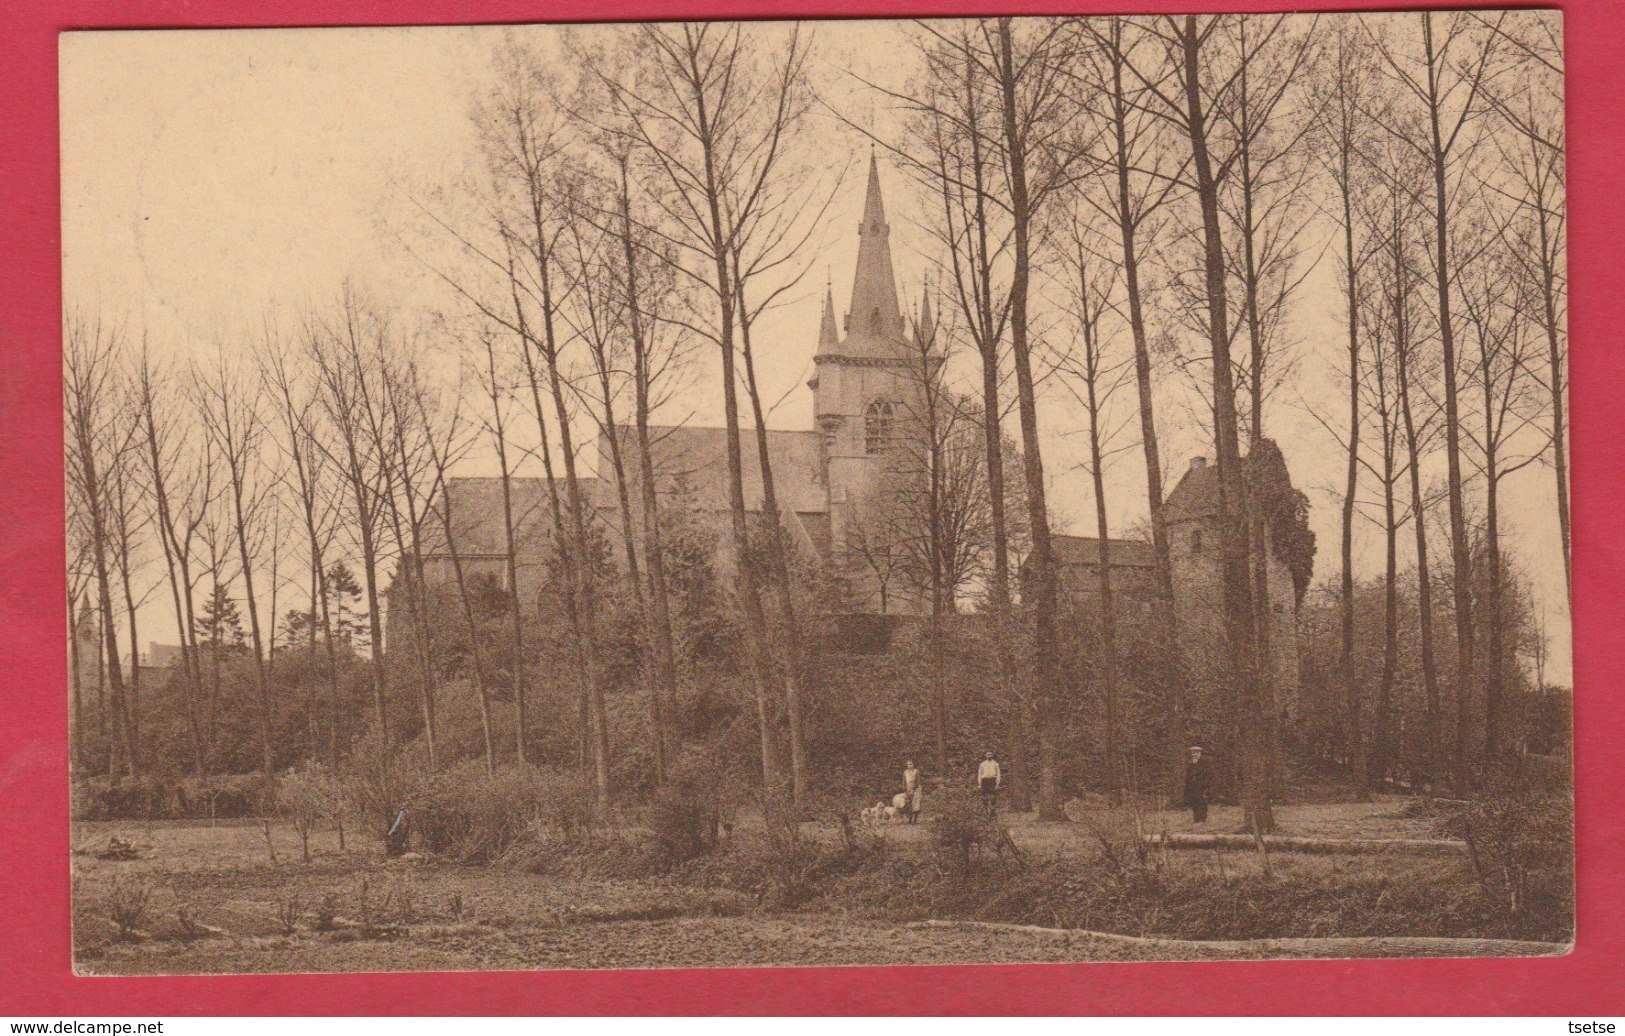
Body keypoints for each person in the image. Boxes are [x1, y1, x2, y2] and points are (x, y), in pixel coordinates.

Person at [1182, 745, 1212, 824]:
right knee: (1194, 802)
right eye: (1193, 752)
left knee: (1202, 802)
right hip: (1193, 787)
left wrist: (1206, 785)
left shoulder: (1205, 762)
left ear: (1200, 753)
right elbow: (1188, 776)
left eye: (1196, 752)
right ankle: (1196, 820)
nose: (1194, 754)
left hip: (1202, 786)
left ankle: (1202, 820)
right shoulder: (1191, 763)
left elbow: (1208, 775)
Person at [977, 752, 1001, 816]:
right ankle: (985, 811)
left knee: (993, 796)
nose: (989, 755)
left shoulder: (995, 764)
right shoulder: (982, 764)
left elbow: (998, 774)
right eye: (987, 754)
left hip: (992, 780)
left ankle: (993, 812)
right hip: (984, 781)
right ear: (985, 755)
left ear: (992, 755)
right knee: (984, 797)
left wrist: (997, 784)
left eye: (990, 754)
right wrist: (980, 784)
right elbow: (979, 774)